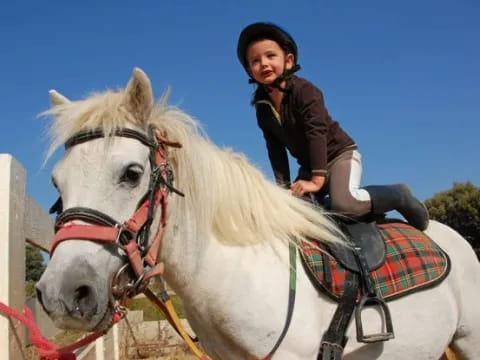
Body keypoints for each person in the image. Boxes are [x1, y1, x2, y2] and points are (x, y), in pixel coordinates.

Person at [237, 22, 429, 230]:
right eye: (255, 61)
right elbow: (275, 150)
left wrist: (317, 180)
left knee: (346, 204)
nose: (263, 63)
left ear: (289, 60)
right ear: (249, 70)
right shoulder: (262, 108)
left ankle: (397, 194)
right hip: (310, 167)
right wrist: (283, 189)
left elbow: (316, 133)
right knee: (293, 211)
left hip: (339, 156)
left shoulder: (306, 91)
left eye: (270, 56)